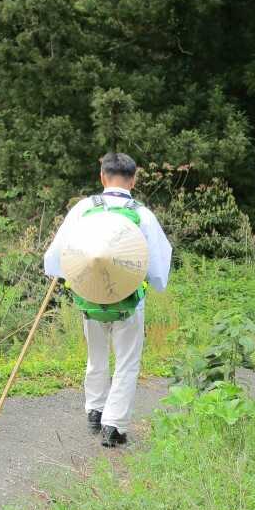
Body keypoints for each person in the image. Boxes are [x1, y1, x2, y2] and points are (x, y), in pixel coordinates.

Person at [43, 152, 172, 447]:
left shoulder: (85, 208)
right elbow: (157, 266)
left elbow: (57, 255)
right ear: (134, 180)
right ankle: (114, 426)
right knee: (127, 362)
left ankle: (95, 411)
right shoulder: (142, 214)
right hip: (129, 301)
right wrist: (156, 284)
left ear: (102, 176)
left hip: (90, 297)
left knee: (96, 356)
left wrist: (62, 273)